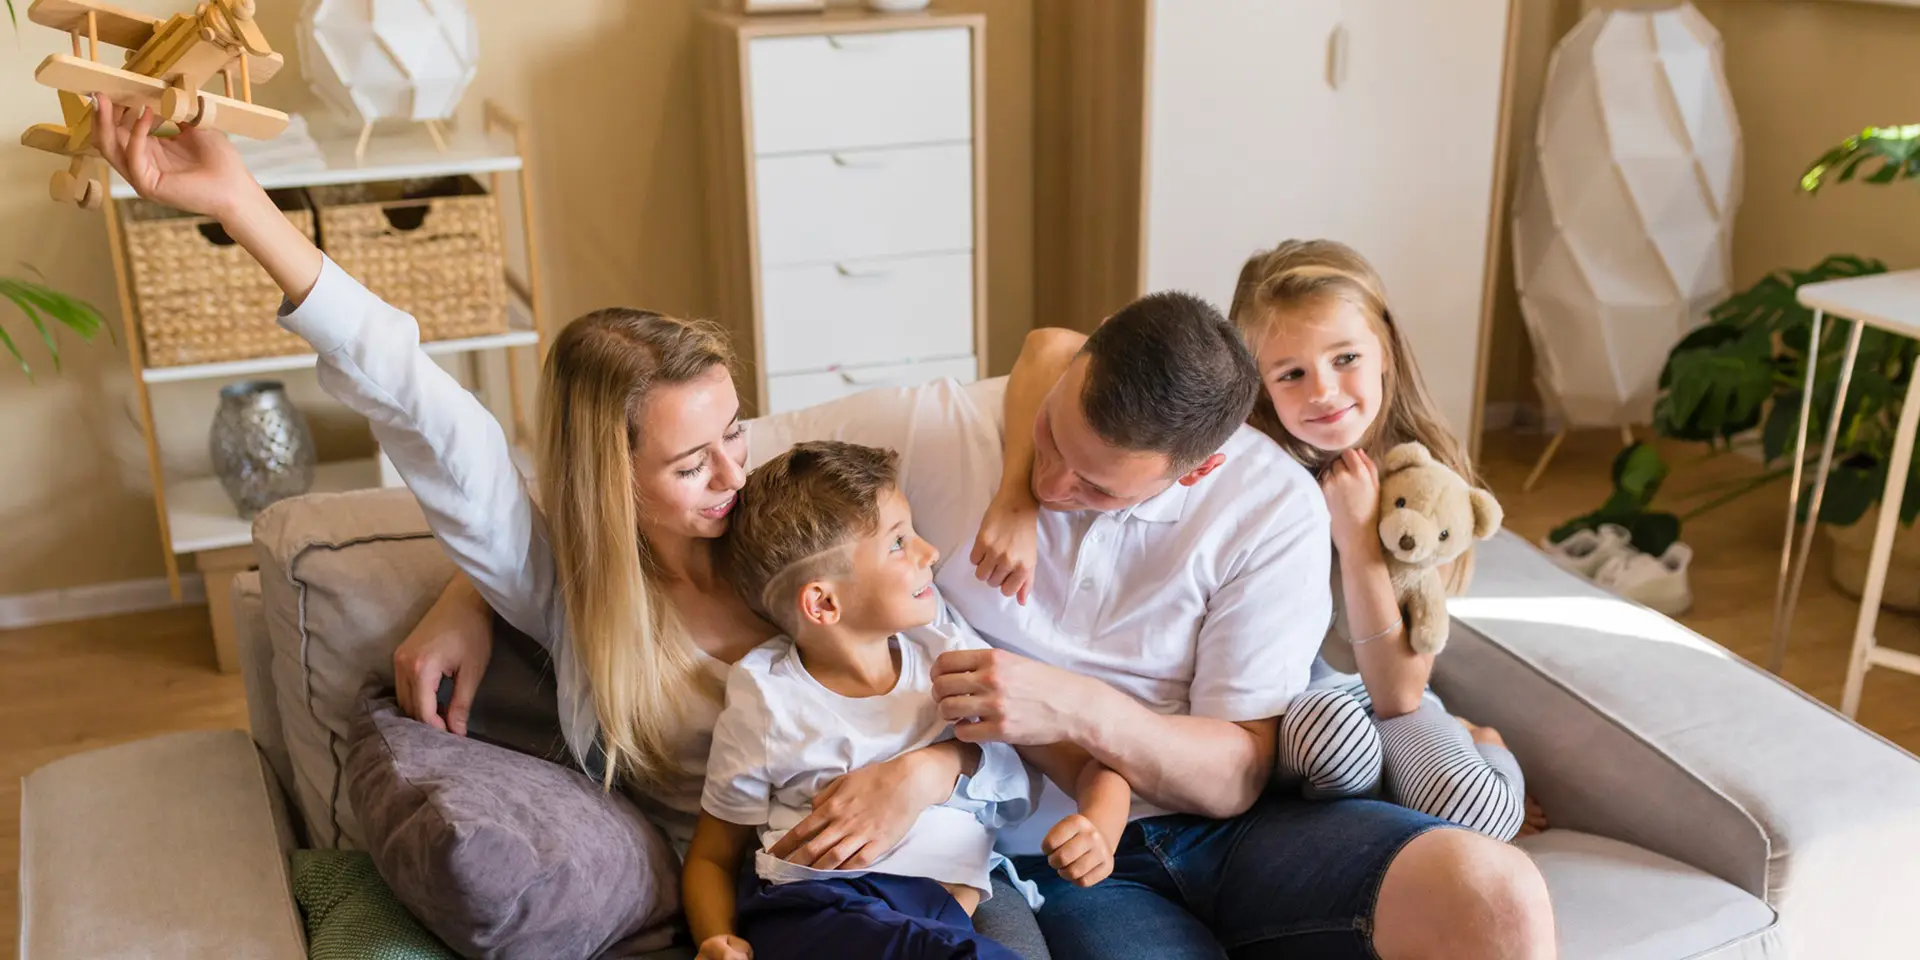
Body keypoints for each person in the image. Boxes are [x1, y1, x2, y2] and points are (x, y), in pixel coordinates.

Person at [88, 97, 1008, 918]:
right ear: (609, 481)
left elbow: (971, 414)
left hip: (943, 856)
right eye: (692, 463)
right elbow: (422, 409)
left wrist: (925, 771)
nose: (734, 472)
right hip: (779, 901)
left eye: (736, 430)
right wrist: (246, 208)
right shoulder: (568, 591)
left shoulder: (789, 513)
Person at [745, 292, 1556, 959]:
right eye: (1054, 436)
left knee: (1496, 894)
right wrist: (1014, 489)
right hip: (1062, 862)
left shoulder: (1270, 507)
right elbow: (723, 460)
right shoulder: (940, 433)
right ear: (1074, 372)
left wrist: (1073, 708)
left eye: (1099, 487)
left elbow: (1237, 778)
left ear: (1199, 469)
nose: (1059, 483)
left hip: (1238, 835)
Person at [974, 240, 1539, 842]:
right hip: (1298, 706)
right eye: (1290, 374)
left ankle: (1486, 748)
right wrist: (1015, 499)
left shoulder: (1416, 484)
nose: (1322, 391)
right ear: (1255, 384)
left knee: (1472, 810)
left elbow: (1398, 691)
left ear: (1386, 351)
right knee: (1324, 744)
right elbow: (1050, 347)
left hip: (1376, 692)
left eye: (1345, 357)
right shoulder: (1225, 450)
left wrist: (1356, 538)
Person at [682, 441, 1130, 960]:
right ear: (824, 602)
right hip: (819, 904)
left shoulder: (953, 660)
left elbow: (1089, 768)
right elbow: (713, 857)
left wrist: (1100, 827)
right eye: (898, 543)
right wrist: (717, 938)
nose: (930, 551)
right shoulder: (767, 698)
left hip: (950, 908)